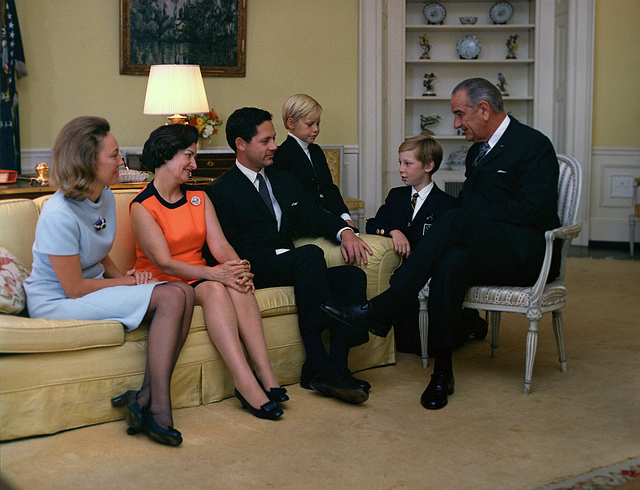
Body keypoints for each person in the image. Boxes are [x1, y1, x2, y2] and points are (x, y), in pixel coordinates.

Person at [323, 78, 561, 410]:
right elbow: (468, 204)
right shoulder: (478, 151)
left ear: (483, 109)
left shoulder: (533, 145)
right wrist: (463, 222)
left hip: (527, 253)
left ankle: (383, 307)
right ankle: (442, 373)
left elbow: (534, 210)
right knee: (450, 264)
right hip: (488, 249)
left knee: (453, 219)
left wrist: (471, 221)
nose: (456, 123)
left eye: (460, 114)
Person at [23, 116, 194, 446]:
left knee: (183, 291)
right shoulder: (57, 213)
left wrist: (123, 275)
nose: (122, 162)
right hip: (57, 299)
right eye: (114, 155)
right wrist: (129, 285)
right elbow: (73, 288)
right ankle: (158, 410)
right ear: (88, 161)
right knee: (170, 297)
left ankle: (143, 396)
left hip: (88, 288)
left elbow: (97, 251)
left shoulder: (103, 197)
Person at [205, 107, 374, 405]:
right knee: (308, 255)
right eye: (266, 141)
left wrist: (345, 232)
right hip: (255, 265)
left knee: (352, 276)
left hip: (292, 264)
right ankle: (317, 361)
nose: (275, 146)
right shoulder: (220, 191)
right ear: (241, 144)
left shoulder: (284, 179)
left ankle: (334, 368)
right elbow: (223, 247)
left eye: (274, 139)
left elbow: (314, 214)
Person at [129, 123, 285, 421]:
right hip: (165, 283)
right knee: (216, 287)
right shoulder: (143, 206)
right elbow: (164, 263)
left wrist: (238, 267)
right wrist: (216, 275)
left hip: (197, 276)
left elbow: (220, 245)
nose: (194, 164)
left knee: (237, 283)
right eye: (188, 156)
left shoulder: (198, 197)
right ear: (165, 156)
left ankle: (266, 375)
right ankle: (245, 381)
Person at [366, 134, 458, 354]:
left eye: (408, 163)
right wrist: (393, 231)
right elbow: (373, 224)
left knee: (425, 347)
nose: (401, 169)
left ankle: (470, 322)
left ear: (428, 166)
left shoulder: (447, 205)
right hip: (401, 277)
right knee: (407, 345)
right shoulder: (396, 196)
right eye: (400, 163)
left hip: (426, 277)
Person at [272, 94, 356, 228]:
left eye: (318, 123)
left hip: (327, 217)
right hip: (305, 223)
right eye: (310, 124)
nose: (316, 129)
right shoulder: (281, 155)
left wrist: (345, 217)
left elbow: (329, 188)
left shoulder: (316, 151)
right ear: (291, 123)